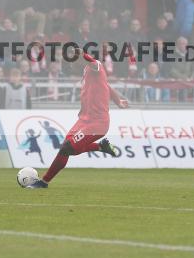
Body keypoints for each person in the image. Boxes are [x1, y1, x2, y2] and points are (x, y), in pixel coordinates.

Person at [27, 53, 128, 188]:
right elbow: (107, 86)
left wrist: (82, 54)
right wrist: (118, 101)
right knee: (67, 148)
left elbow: (93, 62)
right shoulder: (87, 72)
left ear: (80, 60)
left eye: (72, 61)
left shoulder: (96, 66)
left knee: (67, 148)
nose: (71, 65)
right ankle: (101, 146)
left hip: (98, 122)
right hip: (83, 119)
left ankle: (44, 182)